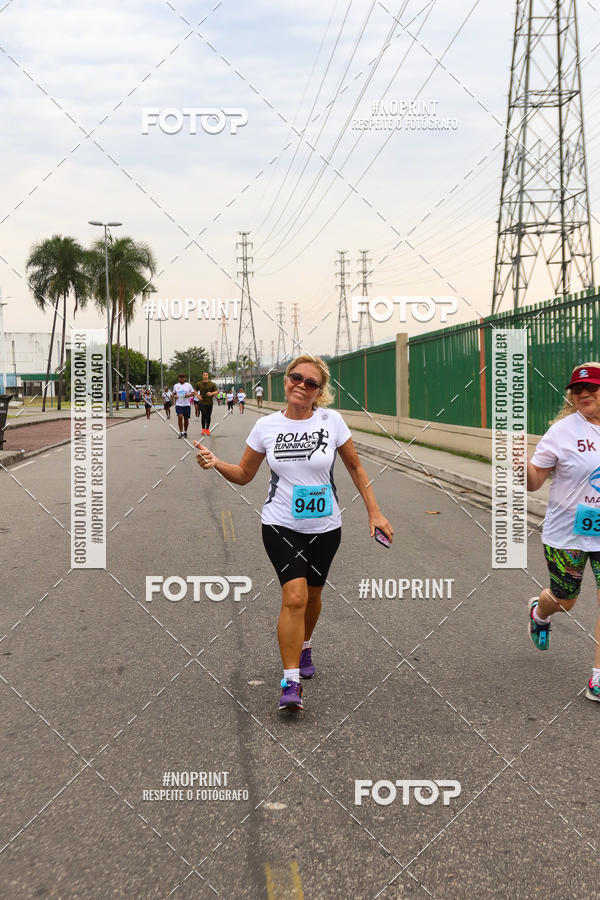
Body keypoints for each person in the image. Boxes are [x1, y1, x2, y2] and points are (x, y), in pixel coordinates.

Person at [195, 354, 393, 711]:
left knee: (314, 597)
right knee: (295, 597)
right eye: (295, 377)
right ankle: (290, 682)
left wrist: (374, 512)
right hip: (280, 524)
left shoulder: (332, 421)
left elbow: (356, 468)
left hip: (325, 527)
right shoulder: (265, 426)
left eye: (311, 383)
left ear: (319, 392)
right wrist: (215, 463)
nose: (301, 385)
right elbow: (244, 474)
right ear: (286, 381)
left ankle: (304, 645)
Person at [527, 362, 600, 702]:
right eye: (578, 389)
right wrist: (521, 467)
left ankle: (597, 679)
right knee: (565, 600)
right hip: (567, 532)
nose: (584, 393)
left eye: (592, 387)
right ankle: (540, 613)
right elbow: (534, 482)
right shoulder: (562, 431)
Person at [172, 373, 194, 439]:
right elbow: (173, 394)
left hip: (187, 404)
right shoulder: (176, 385)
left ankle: (185, 432)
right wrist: (175, 396)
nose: (182, 378)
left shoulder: (188, 385)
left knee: (186, 419)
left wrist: (187, 395)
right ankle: (181, 432)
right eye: (180, 377)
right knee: (180, 416)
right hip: (179, 404)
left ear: (185, 378)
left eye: (183, 377)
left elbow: (193, 393)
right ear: (179, 378)